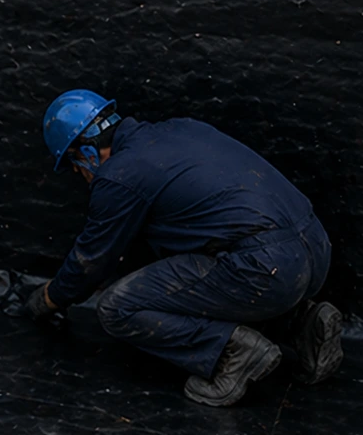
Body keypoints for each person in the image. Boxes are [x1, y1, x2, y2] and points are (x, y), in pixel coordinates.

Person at [21, 89, 345, 406]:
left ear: (87, 154)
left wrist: (46, 300)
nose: (78, 174)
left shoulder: (119, 176)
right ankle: (304, 325)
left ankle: (231, 353)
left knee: (119, 308)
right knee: (202, 275)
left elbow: (90, 263)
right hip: (314, 248)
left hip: (265, 270)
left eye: (75, 165)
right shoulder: (183, 128)